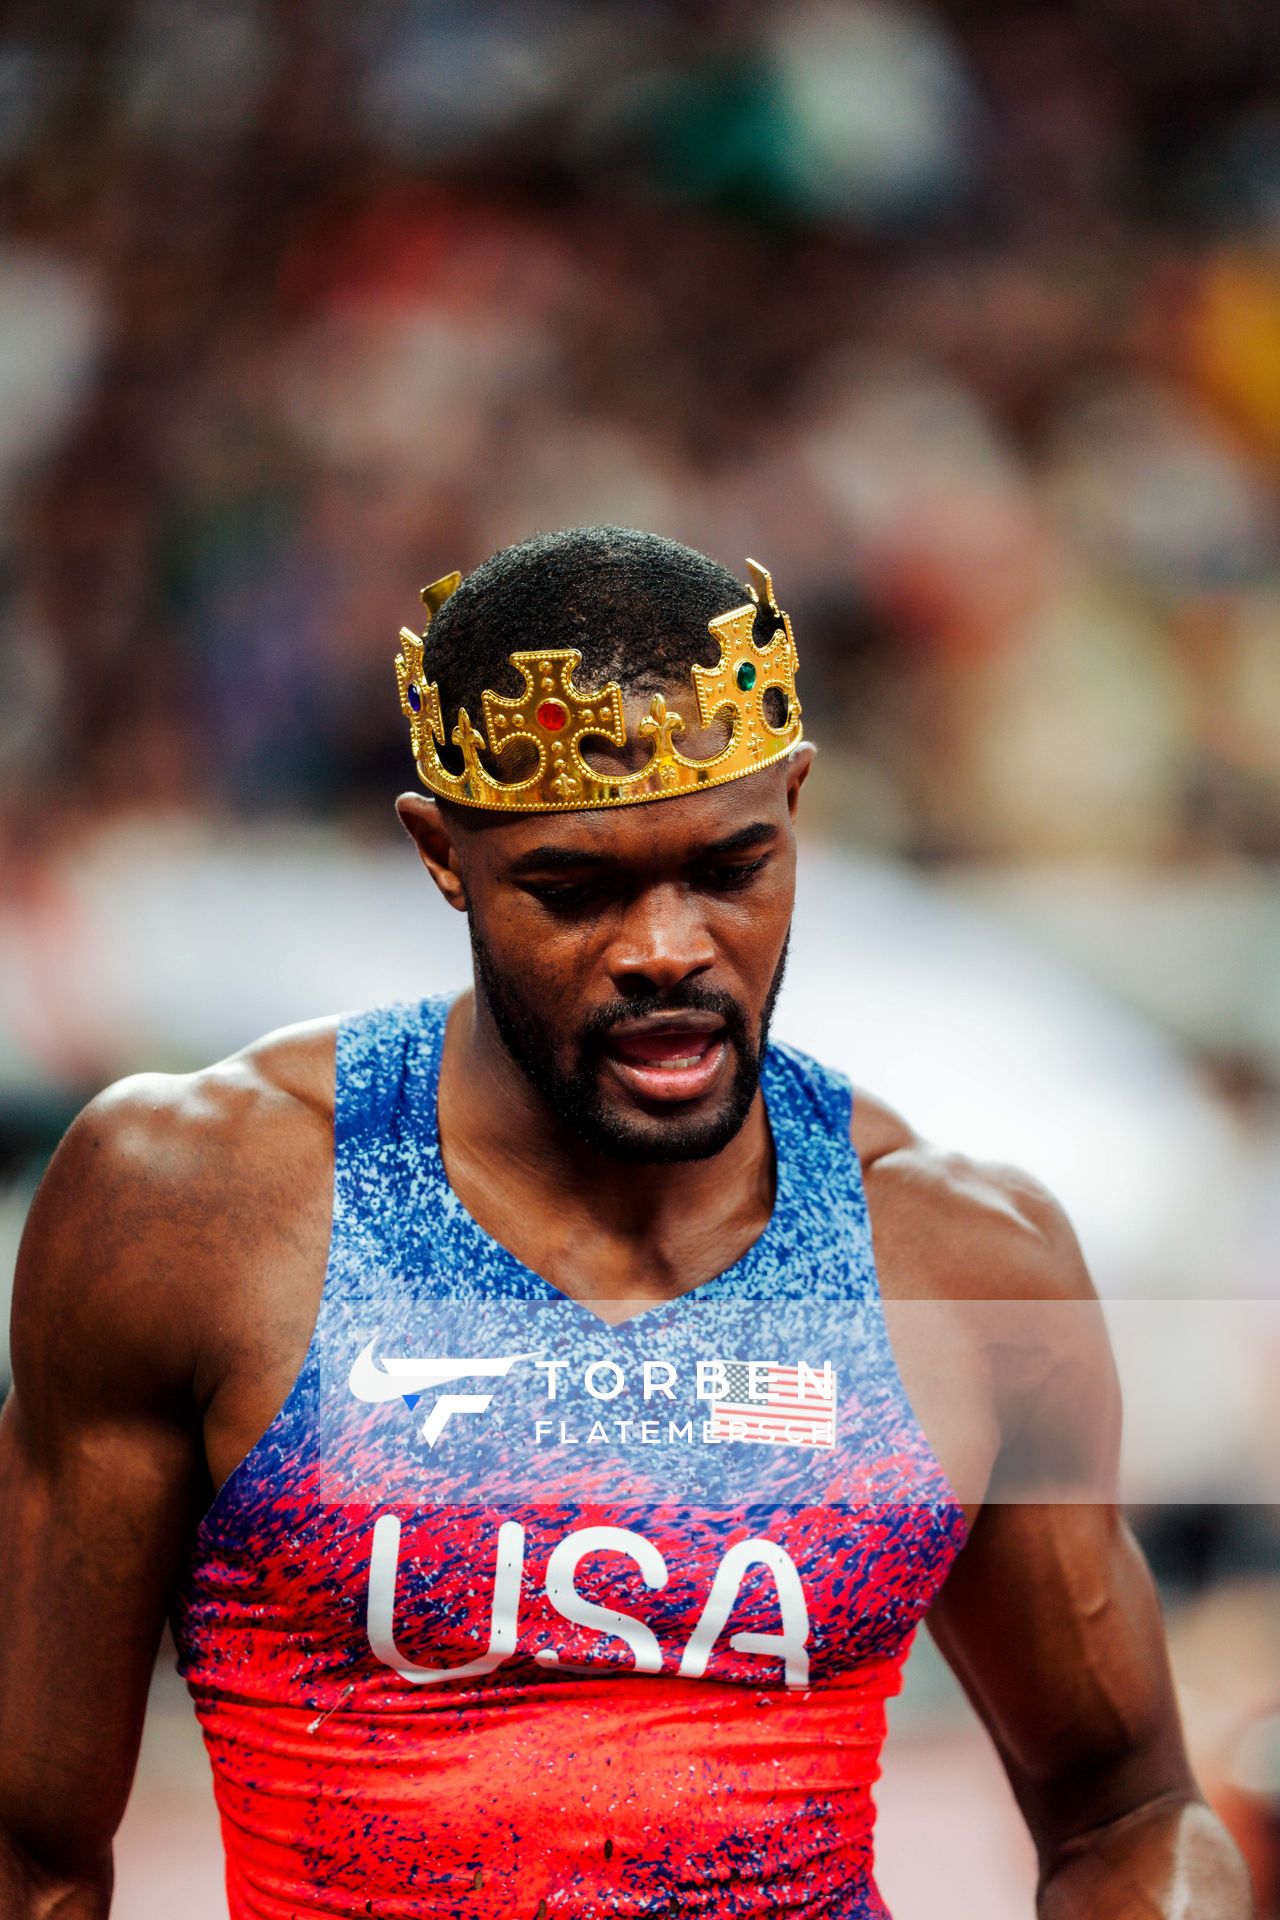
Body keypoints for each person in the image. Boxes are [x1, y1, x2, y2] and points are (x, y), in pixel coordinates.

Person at [0, 528, 1252, 1919]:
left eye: (731, 867)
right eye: (576, 890)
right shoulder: (194, 1205)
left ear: (797, 810)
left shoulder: (965, 1264)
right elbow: (31, 1854)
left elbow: (1133, 1812)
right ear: (441, 856)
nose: (667, 947)